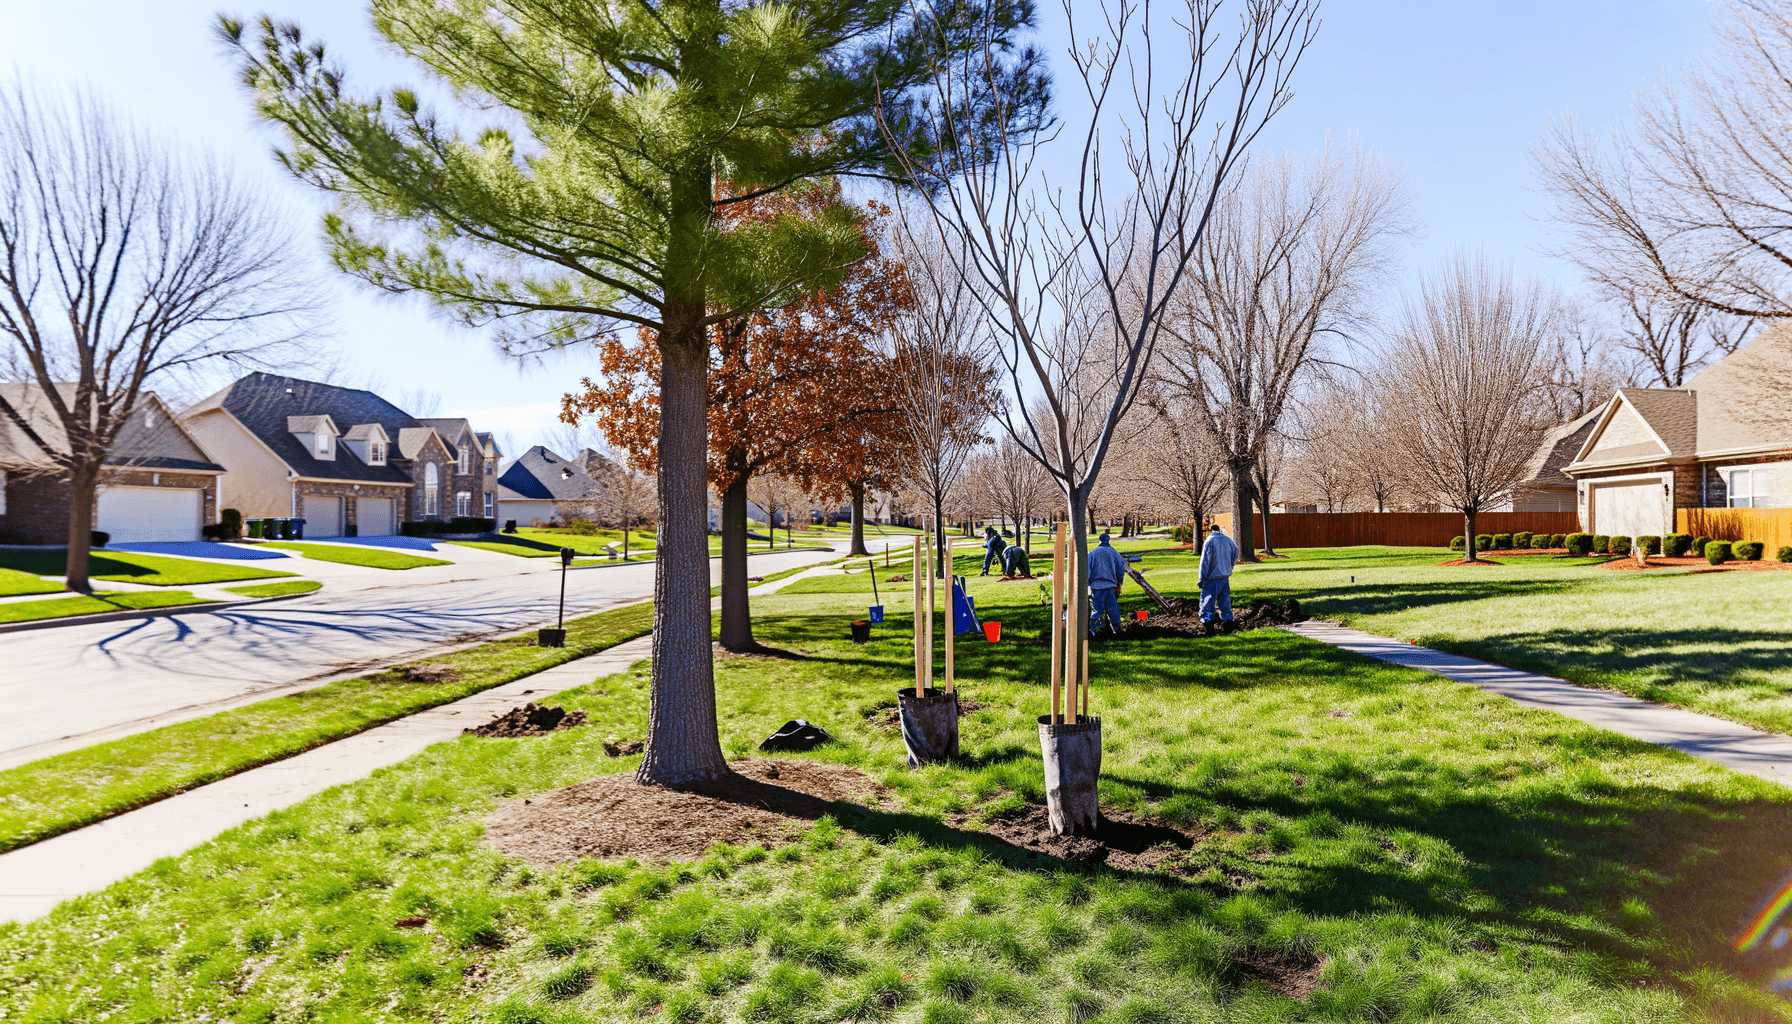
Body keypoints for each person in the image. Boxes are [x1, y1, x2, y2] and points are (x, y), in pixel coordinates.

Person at [1086, 532, 1127, 633]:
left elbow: (1087, 571)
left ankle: (1096, 633)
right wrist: (1119, 583)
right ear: (1108, 540)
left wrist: (1087, 584)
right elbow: (1120, 569)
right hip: (1111, 587)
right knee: (1113, 612)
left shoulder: (1092, 553)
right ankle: (1117, 632)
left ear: (1099, 541)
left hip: (1097, 587)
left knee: (1096, 612)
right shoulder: (1115, 553)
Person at [1198, 522, 1239, 625]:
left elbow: (1205, 562)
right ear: (1219, 530)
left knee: (1207, 603)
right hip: (1225, 577)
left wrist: (1201, 579)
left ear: (1211, 530)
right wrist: (1230, 565)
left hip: (1212, 578)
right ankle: (1228, 622)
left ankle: (1208, 625)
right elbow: (1236, 550)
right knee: (1225, 603)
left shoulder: (1209, 541)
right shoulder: (1227, 539)